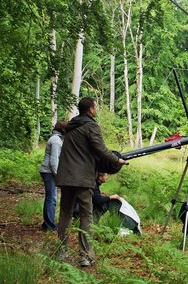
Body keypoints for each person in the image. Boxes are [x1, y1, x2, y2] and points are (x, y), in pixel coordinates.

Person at [56, 97, 128, 267]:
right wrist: (117, 160)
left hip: (66, 177)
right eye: (95, 107)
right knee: (86, 215)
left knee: (65, 214)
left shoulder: (71, 127)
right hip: (82, 179)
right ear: (90, 110)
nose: (96, 109)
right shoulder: (91, 126)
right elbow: (100, 149)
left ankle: (61, 251)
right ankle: (85, 256)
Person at [39, 121, 68, 232]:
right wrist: (58, 175)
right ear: (63, 130)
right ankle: (49, 225)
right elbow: (54, 161)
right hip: (49, 172)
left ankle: (47, 223)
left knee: (51, 198)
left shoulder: (56, 139)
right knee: (51, 198)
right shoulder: (56, 140)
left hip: (48, 171)